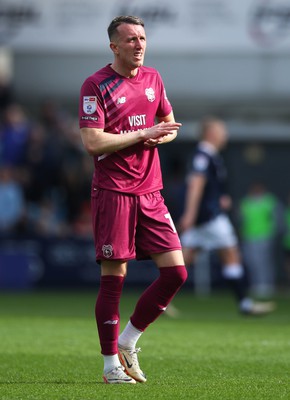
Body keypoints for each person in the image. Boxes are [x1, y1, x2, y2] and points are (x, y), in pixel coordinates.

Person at [79, 15, 187, 384]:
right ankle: (110, 366)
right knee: (114, 278)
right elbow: (93, 142)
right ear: (114, 46)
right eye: (130, 40)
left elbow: (169, 123)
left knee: (176, 272)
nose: (139, 45)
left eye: (142, 38)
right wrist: (145, 132)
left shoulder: (154, 78)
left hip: (151, 192)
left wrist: (161, 137)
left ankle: (129, 340)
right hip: (114, 192)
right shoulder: (96, 85)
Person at [178, 117, 275, 315]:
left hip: (205, 217)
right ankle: (245, 304)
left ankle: (157, 299)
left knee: (182, 259)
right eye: (222, 131)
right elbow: (196, 185)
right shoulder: (203, 155)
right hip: (209, 218)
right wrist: (190, 214)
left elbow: (207, 187)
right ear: (211, 133)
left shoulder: (212, 156)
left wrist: (220, 198)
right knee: (231, 254)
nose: (225, 135)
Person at [238, 181, 283, 298]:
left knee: (264, 261)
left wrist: (274, 232)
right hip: (249, 236)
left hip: (265, 235)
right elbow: (241, 218)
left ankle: (266, 285)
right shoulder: (246, 202)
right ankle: (256, 284)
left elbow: (277, 218)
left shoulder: (269, 201)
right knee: (251, 261)